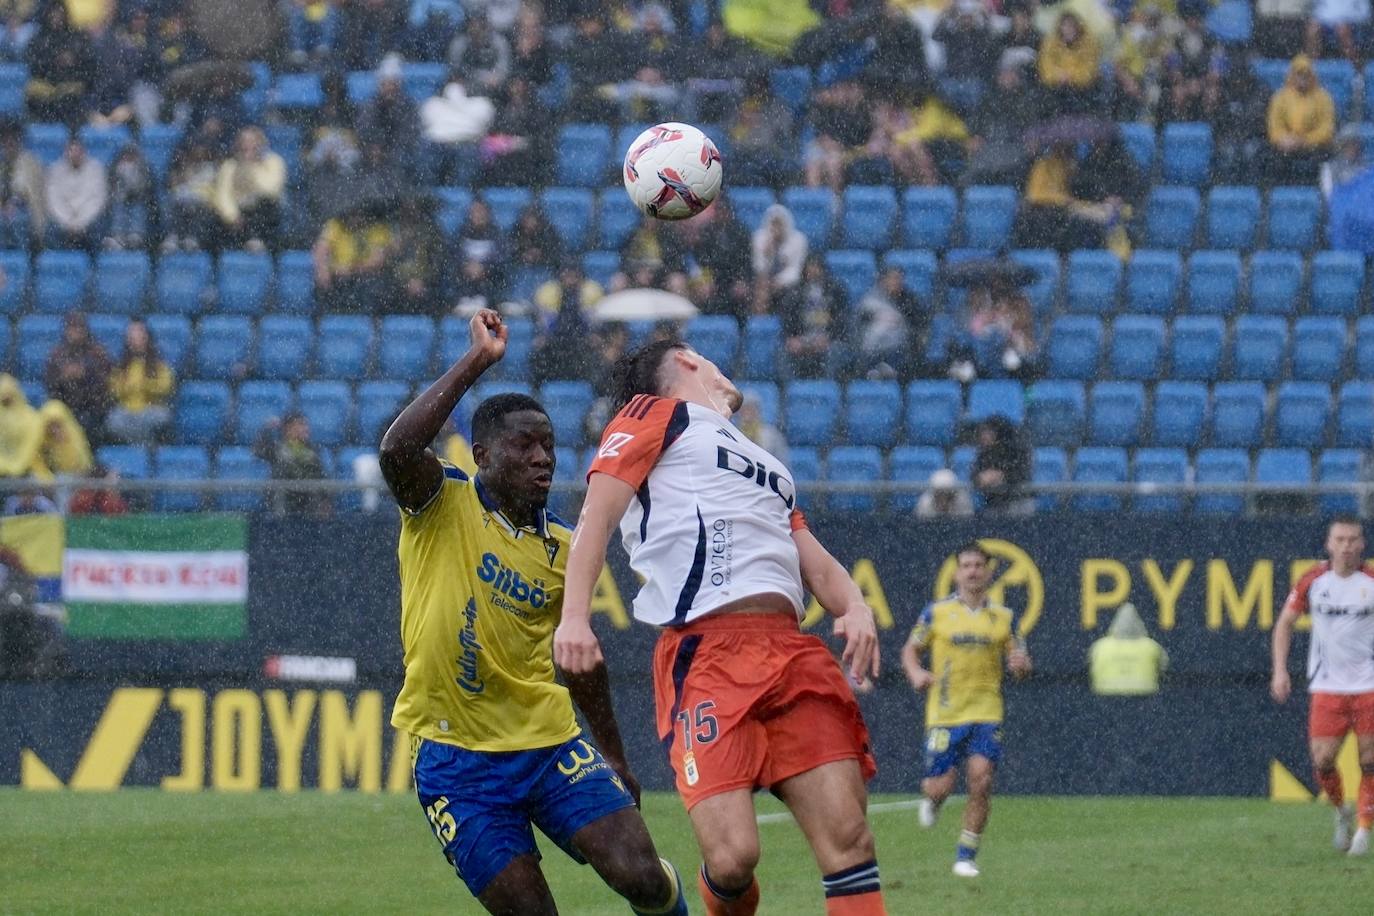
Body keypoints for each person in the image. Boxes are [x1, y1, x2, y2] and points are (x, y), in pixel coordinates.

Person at [554, 339, 887, 916]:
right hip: (707, 653)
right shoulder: (652, 414)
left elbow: (812, 557)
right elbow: (597, 513)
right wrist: (574, 617)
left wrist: (854, 606)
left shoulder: (765, 464)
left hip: (792, 651)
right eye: (705, 356)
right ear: (684, 361)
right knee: (733, 857)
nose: (718, 364)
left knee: (850, 840)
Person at [376, 310, 688, 916]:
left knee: (642, 879)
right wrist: (476, 362)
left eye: (549, 445)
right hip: (456, 763)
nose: (544, 458)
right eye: (526, 445)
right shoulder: (443, 502)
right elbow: (397, 448)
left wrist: (615, 755)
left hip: (549, 742)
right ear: (483, 453)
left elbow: (581, 658)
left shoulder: (569, 550)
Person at [901, 540, 1032, 878]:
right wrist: (916, 672)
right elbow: (911, 650)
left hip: (987, 712)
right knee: (939, 786)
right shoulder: (937, 613)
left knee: (981, 780)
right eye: (967, 566)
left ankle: (966, 855)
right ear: (957, 573)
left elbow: (1019, 664)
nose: (973, 571)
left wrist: (1020, 664)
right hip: (945, 713)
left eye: (978, 565)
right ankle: (932, 800)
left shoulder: (1004, 618)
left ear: (989, 572)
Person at [1271, 515, 1374, 857]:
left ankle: (1363, 828)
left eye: (1353, 540)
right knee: (1323, 760)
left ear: (1363, 544)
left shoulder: (1371, 581)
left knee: (1369, 758)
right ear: (1329, 544)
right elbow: (1285, 624)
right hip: (1327, 686)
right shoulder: (1313, 580)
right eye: (1340, 540)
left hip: (1368, 686)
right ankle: (1341, 811)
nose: (1346, 546)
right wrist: (1280, 670)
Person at [1264, 54, 1336, 186]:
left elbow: (1327, 129)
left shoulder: (1323, 98)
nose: (1303, 78)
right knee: (1270, 157)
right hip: (1286, 147)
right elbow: (1274, 127)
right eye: (1299, 73)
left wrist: (1305, 140)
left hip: (1314, 148)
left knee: (1323, 157)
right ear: (1292, 75)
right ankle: (1277, 193)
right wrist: (1284, 140)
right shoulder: (1280, 97)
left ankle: (1318, 194)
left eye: (1306, 73)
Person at [213, 127, 286, 252]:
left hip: (264, 213)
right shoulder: (230, 166)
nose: (248, 145)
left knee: (266, 204)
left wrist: (251, 168)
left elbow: (271, 190)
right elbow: (223, 195)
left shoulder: (274, 162)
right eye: (244, 141)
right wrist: (232, 216)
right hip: (240, 214)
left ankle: (257, 240)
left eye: (252, 141)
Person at [44, 314, 112, 439]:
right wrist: (63, 378)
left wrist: (85, 375)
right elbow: (50, 385)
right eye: (72, 328)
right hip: (65, 406)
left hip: (91, 408)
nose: (75, 332)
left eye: (79, 328)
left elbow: (105, 384)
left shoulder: (98, 353)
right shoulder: (57, 354)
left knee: (88, 423)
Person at [106, 319, 173, 444]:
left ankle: (142, 449)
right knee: (113, 420)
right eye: (132, 335)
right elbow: (114, 389)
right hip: (127, 411)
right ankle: (142, 448)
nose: (135, 339)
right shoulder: (122, 365)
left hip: (151, 409)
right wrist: (128, 388)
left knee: (160, 418)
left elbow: (165, 387)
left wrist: (145, 385)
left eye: (139, 334)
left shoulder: (158, 363)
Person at [253, 412, 328, 516]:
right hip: (283, 500)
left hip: (307, 501)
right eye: (300, 424)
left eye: (306, 425)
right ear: (287, 428)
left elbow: (321, 475)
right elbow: (258, 450)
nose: (305, 428)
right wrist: (267, 429)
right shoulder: (277, 448)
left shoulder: (312, 450)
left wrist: (325, 500)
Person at [1090, 603, 1169, 696]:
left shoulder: (1100, 647)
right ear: (1139, 623)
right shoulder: (1151, 646)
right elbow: (1163, 668)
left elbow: (1091, 666)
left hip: (1106, 693)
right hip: (1144, 694)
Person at [44, 138, 108, 251]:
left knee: (98, 227)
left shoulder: (95, 169)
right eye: (71, 151)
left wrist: (80, 222)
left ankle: (94, 265)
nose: (74, 155)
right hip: (63, 221)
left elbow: (97, 201)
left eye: (77, 151)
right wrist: (68, 221)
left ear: (83, 152)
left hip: (88, 221)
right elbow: (54, 201)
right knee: (51, 228)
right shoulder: (55, 170)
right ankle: (59, 260)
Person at [971, 416, 1032, 515]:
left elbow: (1022, 474)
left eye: (988, 432)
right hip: (992, 504)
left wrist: (1001, 476)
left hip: (1017, 501)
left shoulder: (1016, 450)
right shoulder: (983, 453)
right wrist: (980, 478)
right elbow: (974, 475)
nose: (984, 436)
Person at [751, 204, 807, 310]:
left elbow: (795, 271)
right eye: (773, 224)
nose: (776, 229)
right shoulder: (759, 238)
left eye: (779, 225)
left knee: (791, 297)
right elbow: (759, 269)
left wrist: (777, 282)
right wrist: (768, 254)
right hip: (764, 282)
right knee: (750, 293)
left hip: (786, 285)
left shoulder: (798, 240)